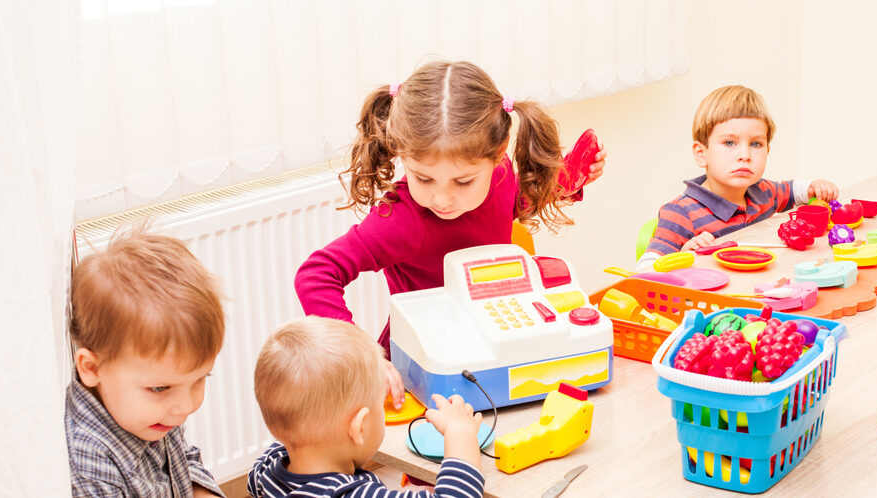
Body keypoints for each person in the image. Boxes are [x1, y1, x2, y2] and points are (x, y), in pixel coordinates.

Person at [295, 60, 606, 408]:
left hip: (495, 344)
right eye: (423, 178)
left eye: (463, 181)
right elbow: (316, 274)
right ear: (402, 154)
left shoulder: (500, 178)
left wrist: (571, 179)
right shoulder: (400, 219)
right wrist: (361, 352)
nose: (441, 199)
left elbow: (519, 199)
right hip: (422, 366)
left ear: (497, 156)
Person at [66, 226, 225, 497]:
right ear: (92, 369)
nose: (186, 407)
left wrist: (202, 490)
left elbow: (181, 461)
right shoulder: (90, 465)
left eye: (200, 379)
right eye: (160, 388)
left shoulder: (150, 412)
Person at [248, 316, 485, 498]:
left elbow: (284, 436)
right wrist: (460, 432)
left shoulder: (264, 474)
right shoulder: (352, 494)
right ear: (359, 427)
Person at [638, 85, 838, 268]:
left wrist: (814, 187)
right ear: (702, 154)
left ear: (767, 151)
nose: (745, 155)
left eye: (755, 144)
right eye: (729, 143)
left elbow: (793, 191)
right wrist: (684, 257)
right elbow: (646, 271)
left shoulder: (764, 192)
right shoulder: (681, 213)